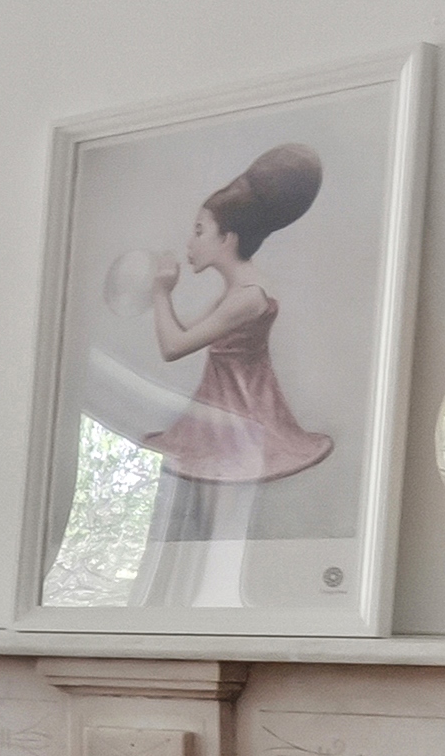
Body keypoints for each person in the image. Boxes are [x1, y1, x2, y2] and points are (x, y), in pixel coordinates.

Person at [117, 144, 330, 599]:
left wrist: (160, 292)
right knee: (206, 534)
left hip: (240, 419)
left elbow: (173, 346)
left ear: (226, 238)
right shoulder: (240, 289)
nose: (190, 243)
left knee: (224, 536)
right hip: (220, 412)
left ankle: (219, 604)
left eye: (199, 231)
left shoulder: (246, 297)